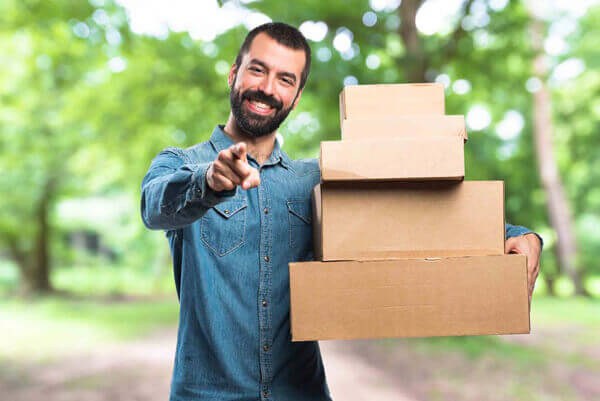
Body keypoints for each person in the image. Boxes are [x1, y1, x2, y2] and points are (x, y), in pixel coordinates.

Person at [141, 22, 542, 401]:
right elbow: (154, 205)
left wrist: (514, 233)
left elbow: (412, 215)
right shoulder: (180, 163)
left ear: (296, 96)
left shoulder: (312, 182)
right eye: (257, 70)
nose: (266, 88)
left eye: (285, 79)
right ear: (233, 74)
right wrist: (209, 181)